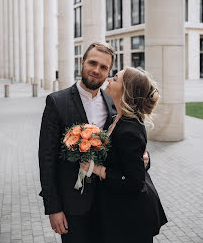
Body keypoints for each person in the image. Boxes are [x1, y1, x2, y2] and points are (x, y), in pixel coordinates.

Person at [39, 42, 150, 243]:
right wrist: (53, 208)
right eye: (92, 63)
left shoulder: (113, 102)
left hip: (110, 204)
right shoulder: (57, 102)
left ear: (109, 72)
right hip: (73, 206)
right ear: (82, 63)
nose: (96, 70)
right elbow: (46, 159)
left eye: (104, 67)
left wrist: (145, 158)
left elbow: (127, 146)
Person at [81, 67, 168, 243]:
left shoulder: (130, 129)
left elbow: (135, 182)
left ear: (125, 89)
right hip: (116, 210)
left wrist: (96, 169)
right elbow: (126, 156)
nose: (109, 80)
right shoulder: (116, 118)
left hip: (131, 217)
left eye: (115, 78)